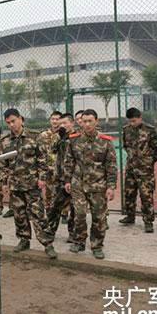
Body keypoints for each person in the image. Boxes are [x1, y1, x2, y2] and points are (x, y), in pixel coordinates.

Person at [1, 108, 57, 259]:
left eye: (13, 121)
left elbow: (43, 159)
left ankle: (47, 244)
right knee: (19, 215)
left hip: (32, 184)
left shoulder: (35, 136)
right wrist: (5, 183)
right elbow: (4, 165)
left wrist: (42, 178)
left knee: (38, 215)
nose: (11, 125)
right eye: (8, 123)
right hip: (15, 185)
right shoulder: (5, 141)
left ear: (21, 119)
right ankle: (24, 240)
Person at [64, 109, 117, 260]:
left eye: (89, 121)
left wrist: (111, 187)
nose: (86, 124)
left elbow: (111, 166)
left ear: (96, 121)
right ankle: (79, 241)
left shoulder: (105, 141)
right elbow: (69, 162)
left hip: (98, 185)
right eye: (84, 121)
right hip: (78, 184)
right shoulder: (73, 140)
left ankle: (97, 245)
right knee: (79, 214)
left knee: (99, 218)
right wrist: (67, 180)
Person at [120, 107, 157, 232]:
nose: (132, 123)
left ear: (140, 118)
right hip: (131, 168)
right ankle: (130, 216)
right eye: (130, 121)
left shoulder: (150, 130)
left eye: (134, 121)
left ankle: (148, 222)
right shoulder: (126, 130)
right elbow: (125, 146)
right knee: (129, 193)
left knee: (146, 196)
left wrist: (148, 161)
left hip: (145, 170)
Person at [46, 113, 76, 242]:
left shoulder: (77, 137)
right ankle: (50, 231)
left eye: (65, 123)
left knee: (74, 208)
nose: (62, 126)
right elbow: (52, 149)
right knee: (55, 206)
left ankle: (73, 234)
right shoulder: (59, 137)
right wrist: (59, 136)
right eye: (60, 123)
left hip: (74, 178)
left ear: (72, 123)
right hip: (59, 178)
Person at [38, 111, 63, 212]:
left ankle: (64, 213)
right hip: (48, 167)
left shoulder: (63, 134)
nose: (55, 121)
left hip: (60, 167)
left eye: (57, 119)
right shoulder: (43, 135)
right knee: (48, 190)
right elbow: (40, 150)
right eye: (53, 119)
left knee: (61, 191)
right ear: (50, 120)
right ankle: (48, 210)